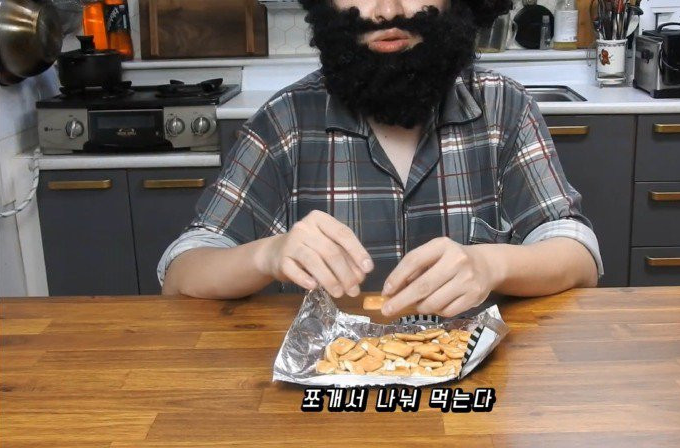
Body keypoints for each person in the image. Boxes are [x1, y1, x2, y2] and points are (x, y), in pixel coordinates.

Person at [159, 0, 603, 317]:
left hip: (474, 393)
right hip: (325, 397)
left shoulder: (503, 106)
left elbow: (578, 256)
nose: (388, 11)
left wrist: (491, 265)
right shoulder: (285, 120)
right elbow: (182, 273)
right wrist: (267, 255)